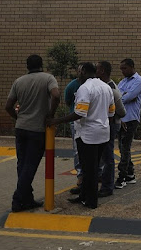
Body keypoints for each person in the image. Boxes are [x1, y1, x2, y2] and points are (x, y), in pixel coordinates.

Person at [48, 62, 114, 209]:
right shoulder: (106, 87)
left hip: (88, 135)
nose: (77, 73)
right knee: (92, 167)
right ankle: (84, 195)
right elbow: (111, 112)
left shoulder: (85, 88)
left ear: (84, 71)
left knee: (89, 169)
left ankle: (91, 201)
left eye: (78, 71)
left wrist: (56, 120)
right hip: (103, 133)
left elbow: (80, 113)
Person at [5, 54, 60, 212]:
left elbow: (8, 106)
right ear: (41, 65)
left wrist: (18, 118)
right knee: (30, 165)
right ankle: (17, 200)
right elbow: (55, 95)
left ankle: (27, 199)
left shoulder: (19, 81)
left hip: (21, 127)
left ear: (27, 66)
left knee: (22, 164)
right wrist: (50, 114)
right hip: (37, 129)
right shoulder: (48, 78)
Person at [96, 61, 126, 197]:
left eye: (96, 68)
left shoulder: (112, 89)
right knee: (101, 156)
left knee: (107, 155)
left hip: (111, 124)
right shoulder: (100, 86)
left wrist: (113, 116)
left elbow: (122, 111)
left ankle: (107, 186)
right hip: (103, 124)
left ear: (102, 70)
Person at [116, 58, 141, 188]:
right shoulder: (123, 81)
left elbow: (127, 97)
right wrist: (121, 96)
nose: (122, 71)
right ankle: (130, 174)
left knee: (125, 148)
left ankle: (122, 177)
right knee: (122, 149)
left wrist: (121, 96)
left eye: (125, 68)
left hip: (130, 119)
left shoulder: (139, 81)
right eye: (121, 69)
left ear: (132, 67)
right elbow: (116, 96)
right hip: (120, 118)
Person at [64, 65, 83, 195]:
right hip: (75, 122)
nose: (82, 72)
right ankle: (80, 177)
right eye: (79, 70)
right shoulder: (72, 86)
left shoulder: (93, 85)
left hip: (88, 123)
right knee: (77, 150)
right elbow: (68, 101)